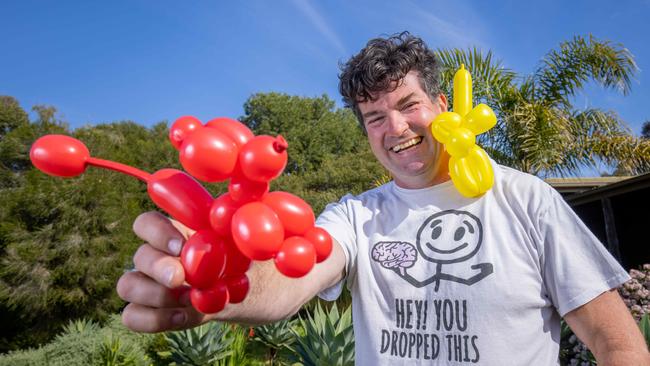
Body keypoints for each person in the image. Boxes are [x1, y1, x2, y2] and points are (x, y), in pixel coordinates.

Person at [116, 32, 650, 364]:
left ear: (442, 105)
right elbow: (288, 281)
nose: (396, 127)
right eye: (375, 116)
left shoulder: (526, 199)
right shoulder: (358, 215)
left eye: (408, 104)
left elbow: (618, 343)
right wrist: (218, 276)